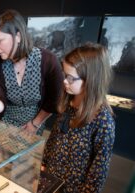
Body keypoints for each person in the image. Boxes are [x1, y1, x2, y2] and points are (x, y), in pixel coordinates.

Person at [42, 43, 115, 193]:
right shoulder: (68, 102)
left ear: (90, 79)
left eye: (70, 78)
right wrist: (44, 163)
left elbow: (99, 168)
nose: (64, 81)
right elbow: (54, 137)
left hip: (74, 187)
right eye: (64, 75)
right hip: (52, 177)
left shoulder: (103, 121)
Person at [0, 9, 63, 135]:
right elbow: (0, 106)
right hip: (5, 124)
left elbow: (54, 99)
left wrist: (35, 124)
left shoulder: (48, 60)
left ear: (18, 36)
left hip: (35, 125)